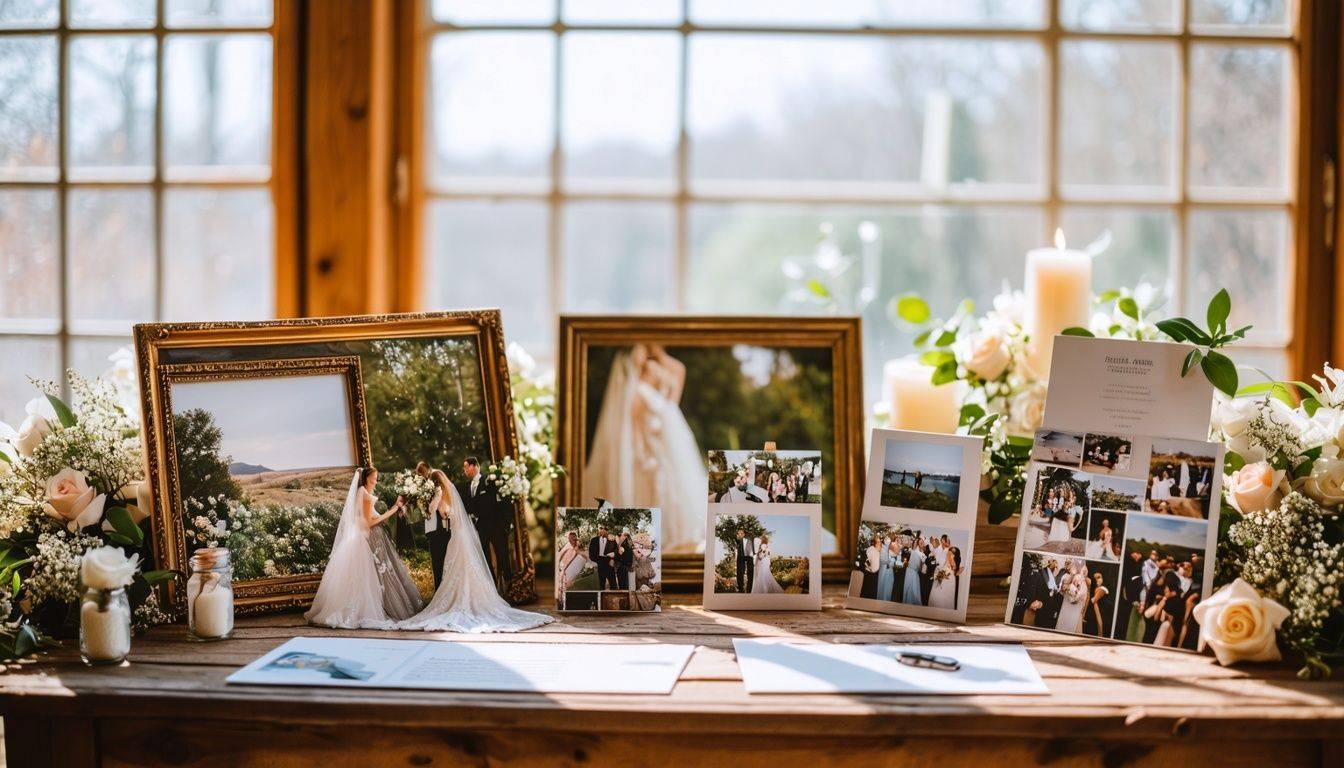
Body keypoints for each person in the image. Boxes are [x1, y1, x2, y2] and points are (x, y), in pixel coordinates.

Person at [583, 344, 708, 553]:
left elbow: (672, 387)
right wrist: (641, 453)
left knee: (671, 490)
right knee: (656, 489)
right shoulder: (637, 393)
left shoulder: (653, 384)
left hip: (664, 446)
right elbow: (634, 429)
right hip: (652, 448)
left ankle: (672, 534)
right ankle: (657, 536)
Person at [395, 470, 552, 633]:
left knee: (458, 566)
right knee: (465, 567)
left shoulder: (439, 492)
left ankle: (463, 600)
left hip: (457, 536)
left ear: (435, 483)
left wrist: (428, 504)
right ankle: (472, 600)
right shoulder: (450, 491)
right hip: (460, 534)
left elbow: (432, 511)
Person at [306, 468, 410, 629]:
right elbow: (370, 522)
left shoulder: (362, 492)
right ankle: (359, 612)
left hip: (358, 538)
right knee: (363, 578)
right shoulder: (364, 494)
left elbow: (368, 516)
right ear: (367, 478)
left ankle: (356, 608)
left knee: (358, 578)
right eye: (374, 478)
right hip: (362, 539)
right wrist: (394, 510)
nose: (376, 481)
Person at [1055, 562, 1087, 633]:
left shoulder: (1083, 583)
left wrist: (1076, 595)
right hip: (1066, 606)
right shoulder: (1065, 577)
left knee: (1074, 626)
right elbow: (1062, 588)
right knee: (1064, 625)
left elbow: (1083, 597)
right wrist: (1072, 576)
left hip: (1076, 608)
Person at [588, 525, 618, 590]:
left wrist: (613, 559)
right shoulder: (594, 540)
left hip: (609, 562)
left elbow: (616, 551)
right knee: (600, 586)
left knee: (613, 585)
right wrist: (597, 562)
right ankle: (600, 599)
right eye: (601, 528)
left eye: (605, 529)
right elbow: (591, 554)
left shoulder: (612, 540)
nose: (603, 530)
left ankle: (614, 599)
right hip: (599, 563)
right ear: (599, 529)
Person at [1083, 571, 1111, 637]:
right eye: (1095, 578)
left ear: (1103, 578)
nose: (1097, 580)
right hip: (1094, 618)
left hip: (1103, 615)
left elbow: (1093, 600)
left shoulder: (1103, 589)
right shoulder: (1095, 589)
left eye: (1099, 577)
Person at [901, 541, 925, 605]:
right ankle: (906, 601)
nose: (914, 545)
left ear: (917, 545)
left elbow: (922, 562)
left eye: (915, 544)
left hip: (914, 572)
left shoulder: (919, 553)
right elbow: (904, 559)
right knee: (907, 586)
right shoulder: (909, 551)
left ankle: (914, 601)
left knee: (914, 587)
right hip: (908, 570)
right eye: (913, 544)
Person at [874, 536, 895, 602]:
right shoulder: (882, 549)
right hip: (883, 570)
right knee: (882, 586)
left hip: (890, 571)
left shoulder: (890, 550)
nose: (888, 543)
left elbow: (894, 558)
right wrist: (889, 562)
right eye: (886, 541)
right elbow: (883, 560)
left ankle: (886, 601)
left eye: (889, 542)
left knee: (888, 588)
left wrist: (891, 562)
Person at [734, 529, 756, 593]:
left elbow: (755, 546)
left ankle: (750, 590)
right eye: (738, 533)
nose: (738, 534)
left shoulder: (750, 539)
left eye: (740, 533)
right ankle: (741, 590)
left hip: (750, 557)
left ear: (744, 534)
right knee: (740, 573)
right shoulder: (738, 540)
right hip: (741, 557)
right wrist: (738, 536)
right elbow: (737, 539)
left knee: (750, 573)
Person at [859, 535, 881, 599]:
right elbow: (875, 568)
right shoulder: (874, 552)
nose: (881, 543)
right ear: (875, 544)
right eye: (879, 542)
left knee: (866, 593)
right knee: (869, 595)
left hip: (869, 575)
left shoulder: (871, 549)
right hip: (872, 577)